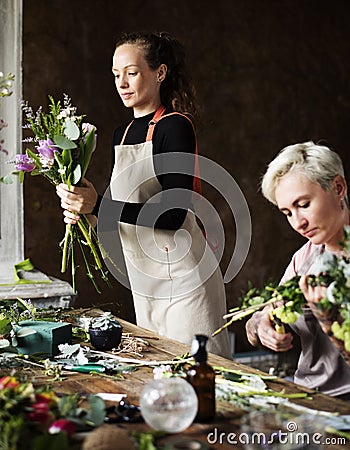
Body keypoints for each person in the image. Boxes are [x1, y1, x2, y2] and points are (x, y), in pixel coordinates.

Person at [56, 31, 232, 359]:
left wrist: (101, 204)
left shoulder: (175, 126)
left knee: (200, 376)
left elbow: (174, 215)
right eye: (116, 75)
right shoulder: (121, 134)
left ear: (159, 73)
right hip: (146, 284)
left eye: (132, 73)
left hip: (185, 283)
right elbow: (120, 214)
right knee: (160, 378)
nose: (122, 82)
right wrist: (83, 209)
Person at [245, 141, 350, 399]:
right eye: (287, 212)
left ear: (338, 187)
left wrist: (329, 317)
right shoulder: (305, 257)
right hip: (305, 395)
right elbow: (253, 324)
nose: (298, 223)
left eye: (303, 204)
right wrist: (262, 326)